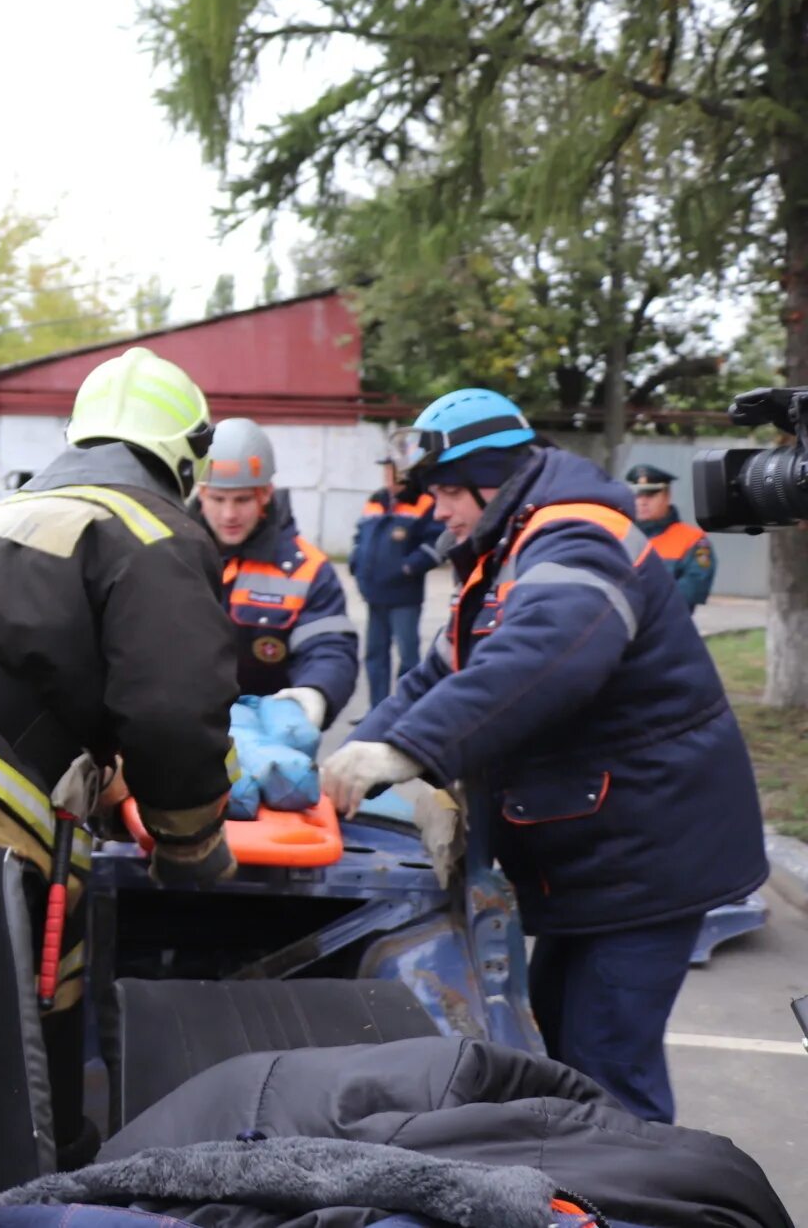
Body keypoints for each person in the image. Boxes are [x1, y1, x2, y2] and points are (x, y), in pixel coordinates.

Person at [323, 388, 767, 1124]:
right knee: (560, 1051)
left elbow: (542, 661)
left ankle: (640, 1199)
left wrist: (406, 750)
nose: (437, 512)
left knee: (606, 1070)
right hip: (606, 858)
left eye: (445, 493)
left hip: (647, 858)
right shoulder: (510, 550)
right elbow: (441, 671)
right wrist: (353, 756)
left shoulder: (576, 538)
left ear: (491, 479)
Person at [0, 347, 241, 1202]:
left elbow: (29, 664)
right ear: (186, 455)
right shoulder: (153, 529)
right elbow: (173, 709)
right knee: (8, 1053)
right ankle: (24, 1198)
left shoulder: (6, 514)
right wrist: (191, 846)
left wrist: (109, 785)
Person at [194, 417, 358, 730]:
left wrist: (313, 694)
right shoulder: (171, 556)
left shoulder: (307, 570)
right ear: (201, 493)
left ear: (265, 494)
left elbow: (329, 648)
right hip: (183, 738)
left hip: (270, 743)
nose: (229, 514)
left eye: (242, 499)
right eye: (218, 499)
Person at [351, 455, 449, 707]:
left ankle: (405, 710)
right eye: (385, 471)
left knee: (407, 657)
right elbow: (360, 536)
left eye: (391, 471)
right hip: (374, 594)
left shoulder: (423, 502)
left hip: (404, 595)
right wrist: (356, 562)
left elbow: (437, 543)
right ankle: (377, 710)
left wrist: (408, 567)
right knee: (375, 656)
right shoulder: (376, 500)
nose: (387, 477)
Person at [625, 464, 715, 612]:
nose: (643, 501)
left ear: (667, 496)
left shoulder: (693, 540)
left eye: (650, 494)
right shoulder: (619, 535)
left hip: (667, 627)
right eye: (638, 495)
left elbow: (694, 588)